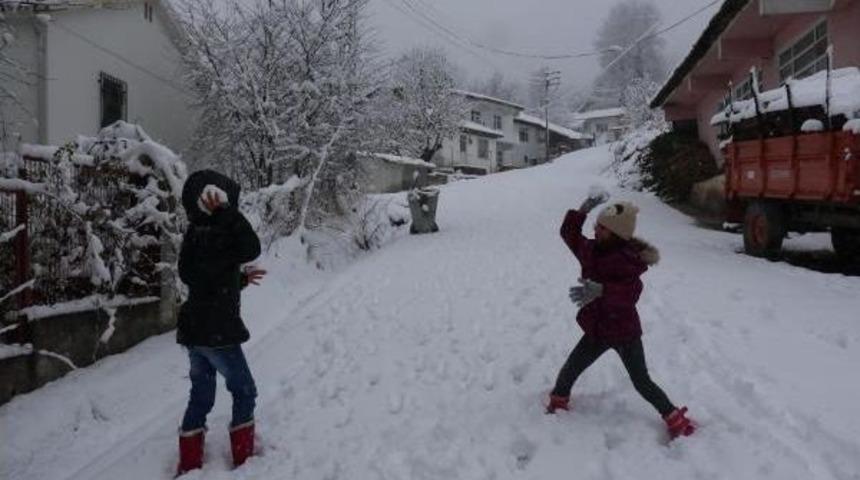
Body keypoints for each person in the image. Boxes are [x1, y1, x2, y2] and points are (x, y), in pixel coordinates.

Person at [546, 193, 694, 440]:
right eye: (596, 225)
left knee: (641, 381)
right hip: (597, 330)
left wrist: (602, 290)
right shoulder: (591, 250)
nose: (596, 230)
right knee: (571, 368)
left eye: (601, 228)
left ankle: (673, 417)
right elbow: (569, 235)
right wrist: (581, 211)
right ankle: (558, 401)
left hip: (625, 333)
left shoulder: (628, 260)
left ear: (616, 233)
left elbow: (630, 294)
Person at [176, 170, 267, 474]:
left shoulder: (194, 231)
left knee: (201, 395)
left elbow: (199, 276)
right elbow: (251, 248)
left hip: (194, 331)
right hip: (218, 333)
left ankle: (189, 463)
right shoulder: (221, 229)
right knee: (244, 390)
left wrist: (237, 278)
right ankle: (244, 458)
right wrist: (226, 214)